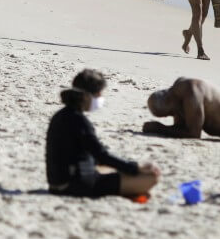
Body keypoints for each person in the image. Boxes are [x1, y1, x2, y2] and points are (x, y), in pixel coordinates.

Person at [46, 69, 161, 199]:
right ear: (85, 96)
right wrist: (136, 167)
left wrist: (129, 166)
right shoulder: (80, 122)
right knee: (151, 178)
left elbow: (94, 155)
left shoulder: (60, 115)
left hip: (57, 183)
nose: (100, 97)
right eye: (98, 94)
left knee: (114, 169)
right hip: (75, 185)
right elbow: (101, 155)